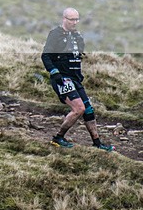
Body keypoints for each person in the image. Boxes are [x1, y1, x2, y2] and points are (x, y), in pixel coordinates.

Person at [42, 8, 114, 151]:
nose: (75, 22)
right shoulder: (55, 34)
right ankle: (58, 138)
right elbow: (45, 56)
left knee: (88, 110)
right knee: (79, 108)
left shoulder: (77, 36)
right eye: (72, 19)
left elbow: (78, 54)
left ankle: (97, 143)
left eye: (76, 19)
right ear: (64, 19)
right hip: (62, 79)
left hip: (75, 79)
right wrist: (54, 72)